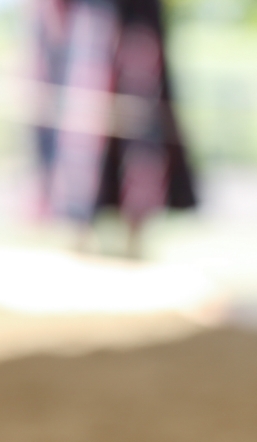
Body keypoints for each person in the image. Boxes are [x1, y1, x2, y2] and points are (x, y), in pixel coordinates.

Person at [33, 0, 197, 259]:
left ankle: (134, 239)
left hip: (135, 25)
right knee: (83, 123)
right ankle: (78, 238)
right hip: (85, 18)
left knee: (139, 127)